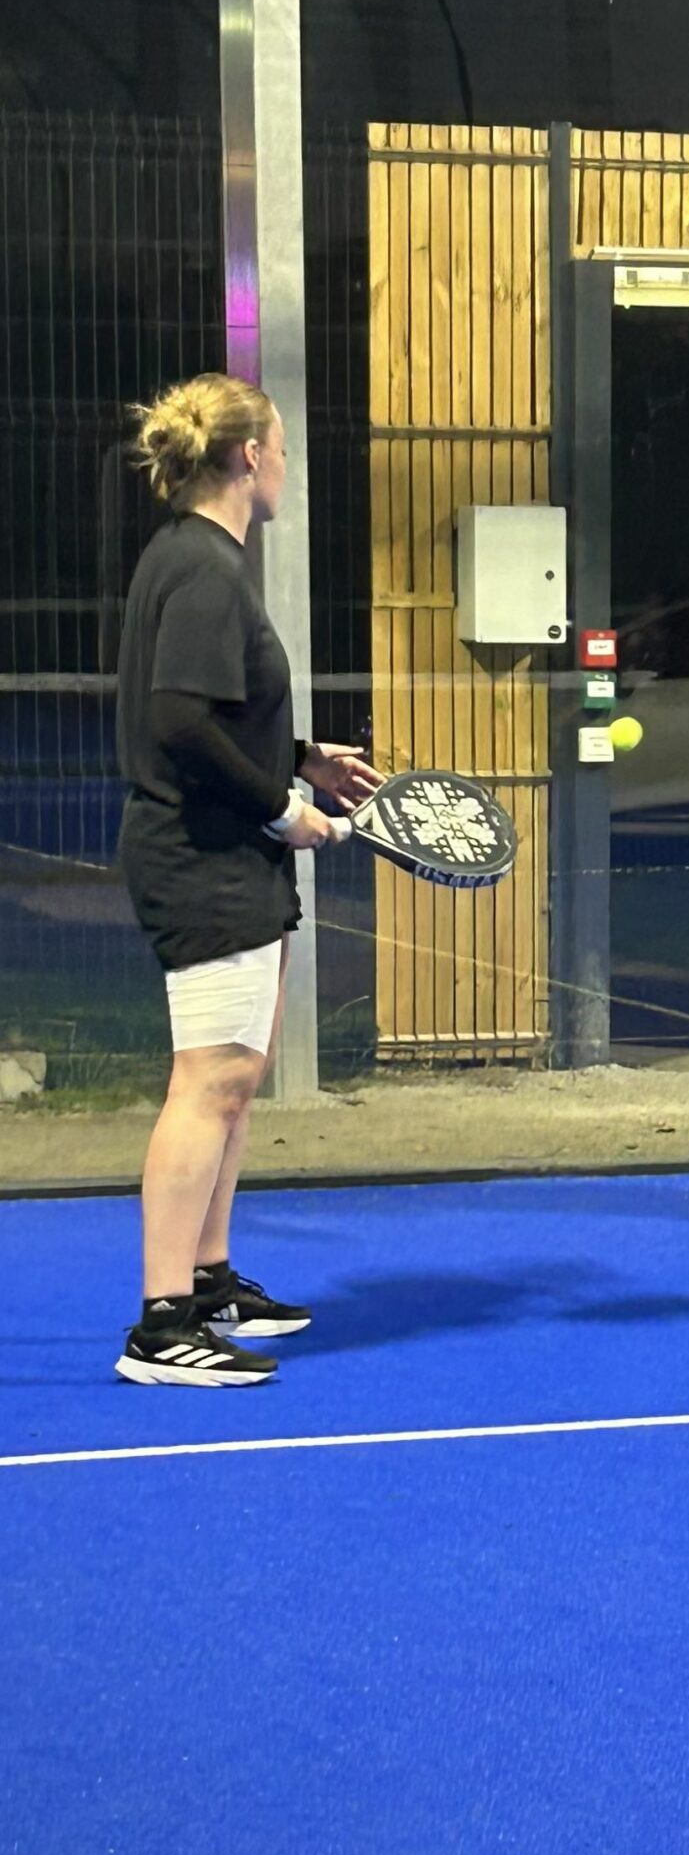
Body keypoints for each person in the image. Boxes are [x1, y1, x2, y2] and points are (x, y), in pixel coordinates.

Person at [114, 373, 382, 1383]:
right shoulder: (204, 569)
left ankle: (209, 1277)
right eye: (280, 449)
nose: (285, 467)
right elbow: (178, 723)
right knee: (209, 1082)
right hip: (204, 859)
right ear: (249, 457)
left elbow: (213, 711)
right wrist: (281, 805)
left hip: (231, 855)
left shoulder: (196, 560)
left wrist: (302, 757)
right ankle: (161, 1326)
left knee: (236, 1081)